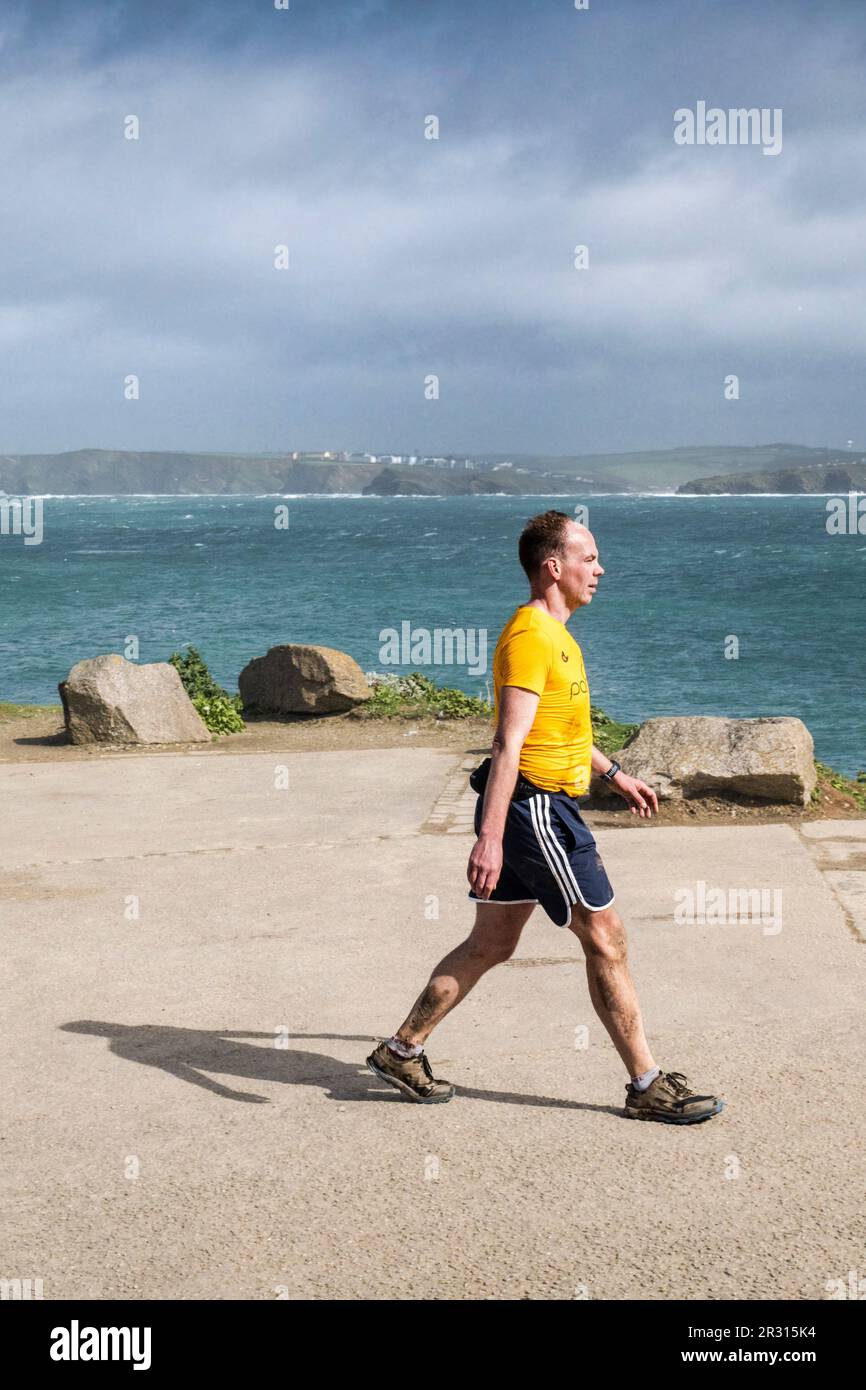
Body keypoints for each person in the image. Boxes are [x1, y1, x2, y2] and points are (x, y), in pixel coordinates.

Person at [367, 510, 724, 1124]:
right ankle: (646, 1085)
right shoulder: (533, 637)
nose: (600, 569)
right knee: (606, 939)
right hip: (536, 811)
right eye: (589, 558)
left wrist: (615, 775)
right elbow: (508, 743)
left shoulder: (555, 636)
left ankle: (402, 1050)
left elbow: (559, 732)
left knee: (491, 943)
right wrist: (490, 838)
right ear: (554, 567)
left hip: (535, 806)